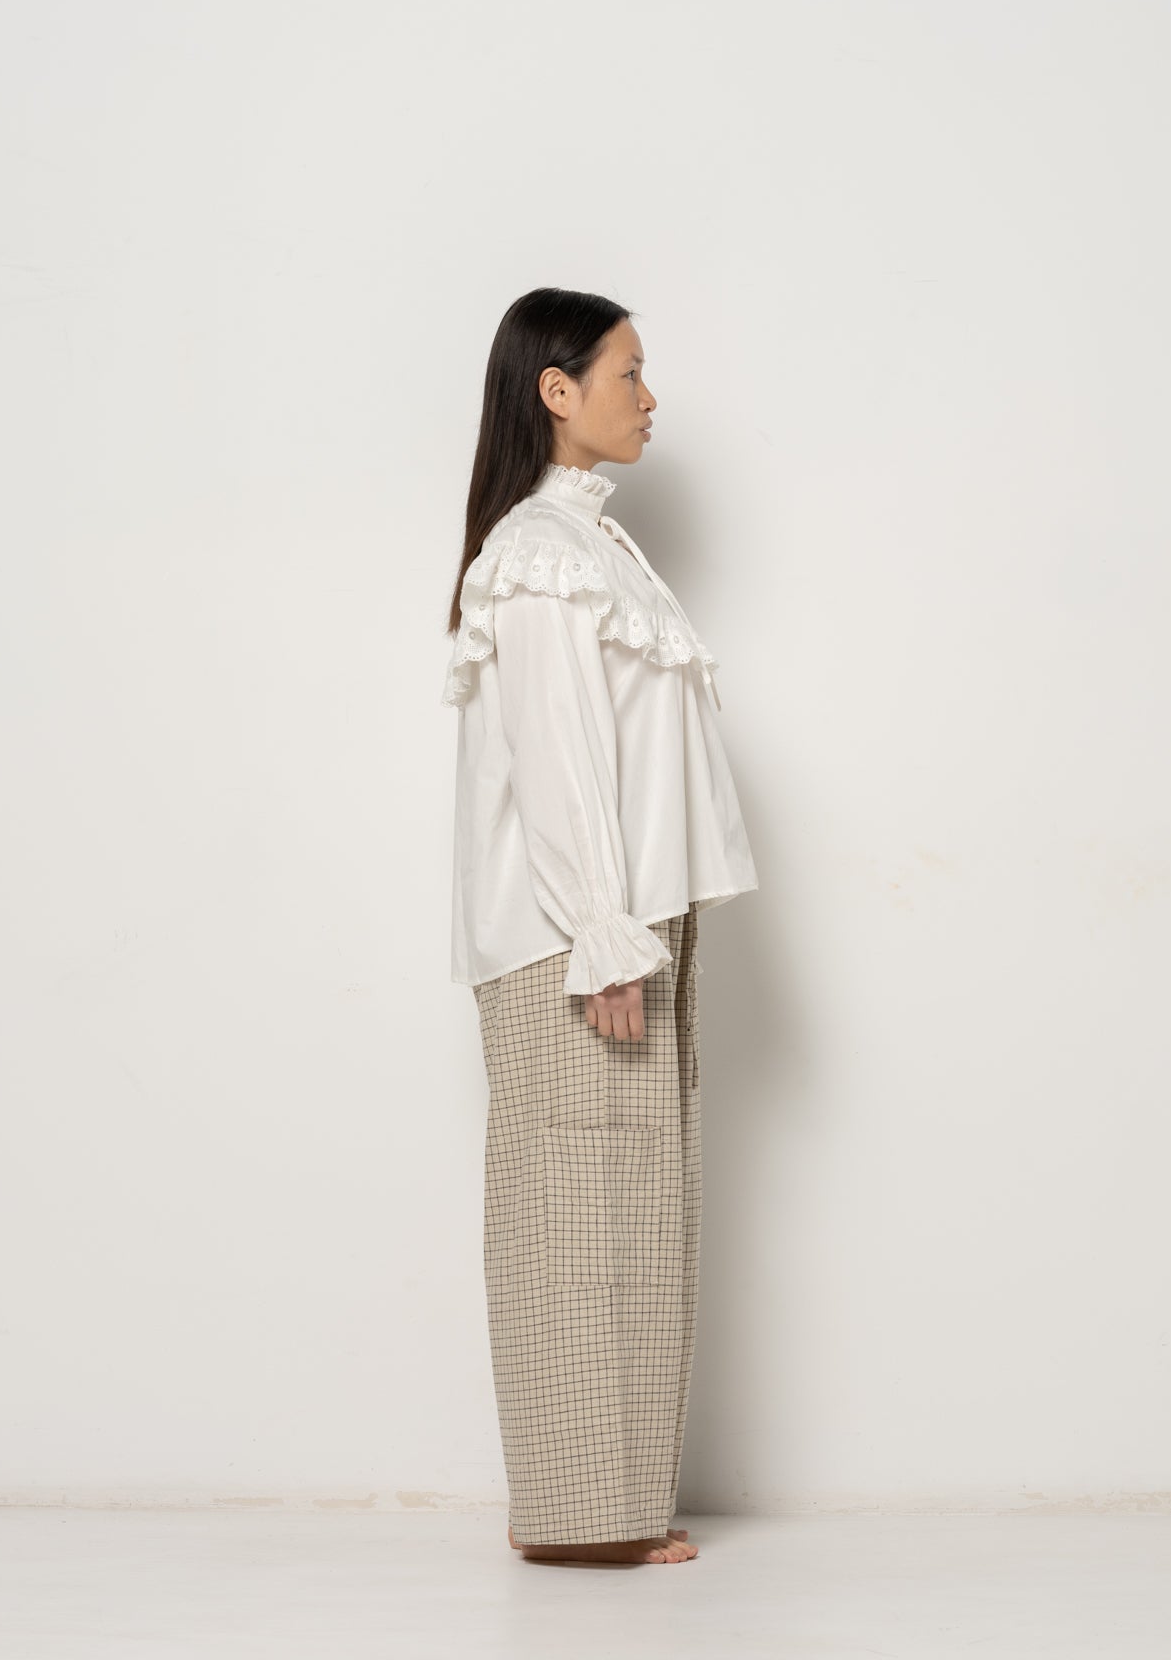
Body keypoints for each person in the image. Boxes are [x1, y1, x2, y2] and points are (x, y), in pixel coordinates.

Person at [442, 287, 758, 1567]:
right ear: (557, 389)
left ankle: (609, 1500)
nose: (650, 394)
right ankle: (580, 1517)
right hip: (575, 936)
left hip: (625, 920)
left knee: (627, 1216)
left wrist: (632, 925)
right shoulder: (538, 551)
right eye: (630, 370)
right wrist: (603, 933)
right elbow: (557, 755)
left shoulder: (592, 544)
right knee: (575, 1220)